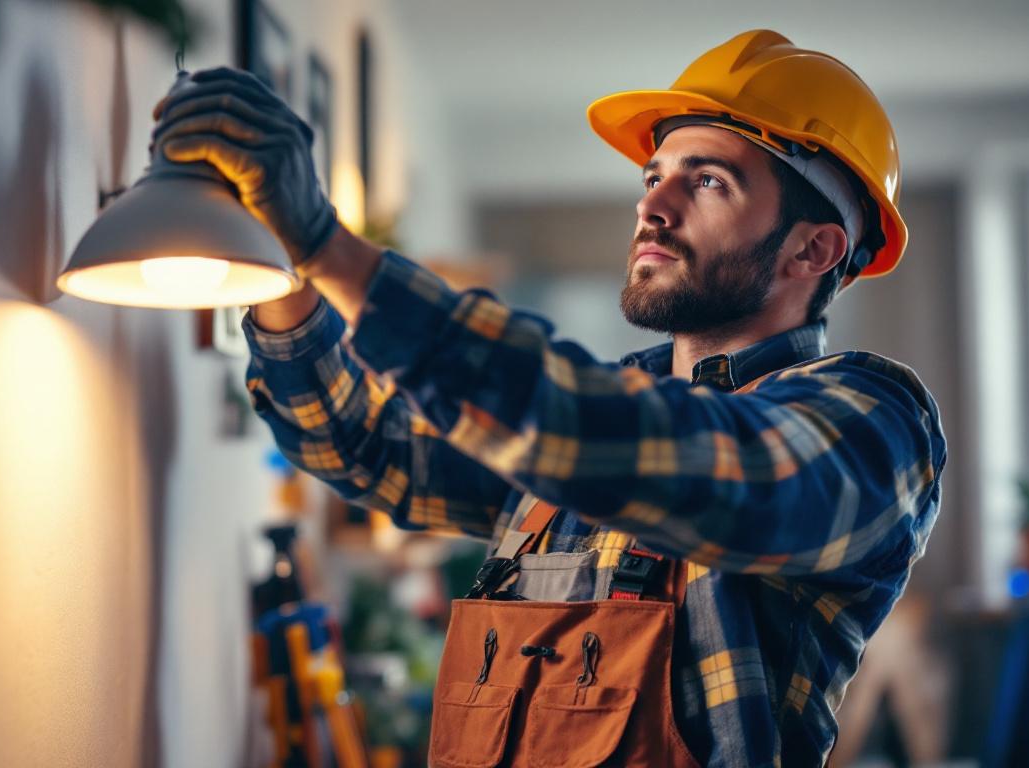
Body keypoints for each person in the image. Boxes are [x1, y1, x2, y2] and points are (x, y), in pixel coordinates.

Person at [152, 29, 946, 767]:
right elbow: (365, 444)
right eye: (653, 176)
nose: (654, 208)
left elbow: (686, 464)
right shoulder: (573, 438)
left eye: (708, 181)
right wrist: (288, 263)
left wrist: (331, 243)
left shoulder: (875, 420)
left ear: (816, 247)